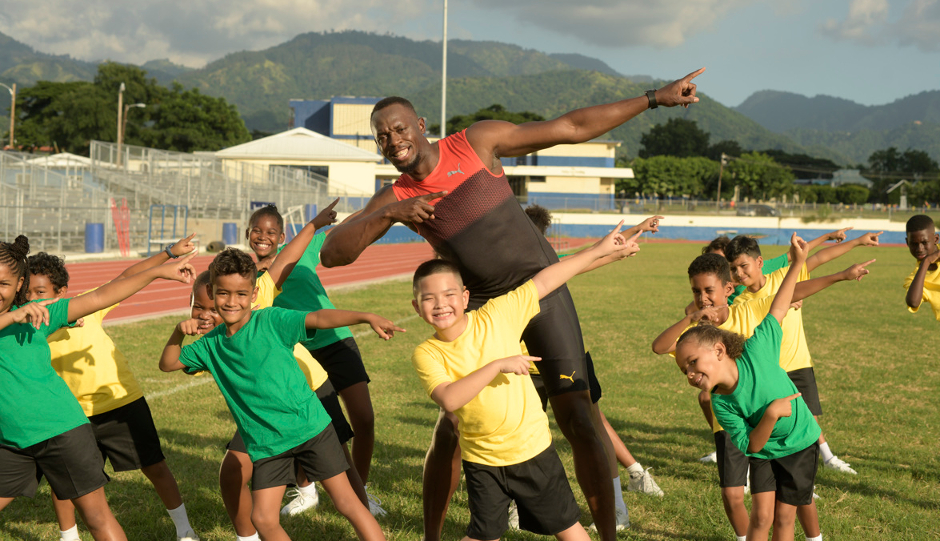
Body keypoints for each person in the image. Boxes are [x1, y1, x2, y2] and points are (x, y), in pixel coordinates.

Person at [321, 68, 704, 540]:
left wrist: (653, 98)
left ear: (421, 124)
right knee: (451, 429)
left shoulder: (476, 142)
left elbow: (571, 128)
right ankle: (432, 537)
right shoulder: (396, 195)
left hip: (539, 292)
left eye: (399, 128)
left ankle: (605, 533)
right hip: (481, 310)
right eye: (382, 136)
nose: (393, 140)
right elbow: (332, 254)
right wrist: (389, 213)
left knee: (579, 418)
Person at [410, 223, 638, 541]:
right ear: (416, 307)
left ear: (465, 297)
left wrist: (598, 250)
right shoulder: (427, 353)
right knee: (484, 534)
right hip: (482, 462)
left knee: (567, 529)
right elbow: (449, 399)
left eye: (449, 294)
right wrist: (497, 365)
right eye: (429, 298)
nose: (440, 304)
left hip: (531, 453)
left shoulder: (497, 315)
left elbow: (545, 280)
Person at [160, 248, 403, 541]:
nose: (232, 302)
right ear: (211, 292)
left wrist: (366, 316)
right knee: (263, 519)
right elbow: (168, 363)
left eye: (241, 294)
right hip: (266, 444)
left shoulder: (271, 320)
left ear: (252, 295)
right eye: (223, 294)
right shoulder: (209, 345)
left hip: (310, 428)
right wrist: (177, 332)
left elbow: (319, 318)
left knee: (346, 502)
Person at [652, 250, 871, 541]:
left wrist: (826, 271)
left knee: (788, 513)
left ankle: (815, 538)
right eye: (696, 291)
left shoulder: (752, 333)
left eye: (708, 290)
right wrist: (691, 318)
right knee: (756, 511)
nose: (702, 298)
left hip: (795, 439)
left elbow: (781, 300)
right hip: (754, 437)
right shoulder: (702, 358)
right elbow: (659, 346)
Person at [0, 235, 196, 541]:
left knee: (96, 518)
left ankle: (184, 529)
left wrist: (157, 270)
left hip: (60, 432)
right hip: (12, 440)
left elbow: (101, 296)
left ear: (19, 284)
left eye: (3, 284)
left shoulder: (36, 315)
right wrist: (11, 316)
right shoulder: (18, 316)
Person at [674, 233, 823, 541]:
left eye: (692, 363)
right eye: (684, 369)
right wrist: (771, 413)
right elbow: (753, 446)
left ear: (718, 350)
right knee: (761, 518)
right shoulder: (720, 403)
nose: (689, 374)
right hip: (765, 448)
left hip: (798, 442)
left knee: (783, 519)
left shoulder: (758, 347)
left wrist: (797, 264)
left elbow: (779, 307)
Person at [244, 203, 384, 515]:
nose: (263, 237)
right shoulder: (249, 277)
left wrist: (387, 206)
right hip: (297, 352)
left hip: (334, 339)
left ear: (282, 236)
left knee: (364, 418)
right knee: (311, 426)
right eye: (257, 230)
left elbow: (349, 230)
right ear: (247, 233)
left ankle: (360, 488)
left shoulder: (301, 250)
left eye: (271, 232)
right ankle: (307, 491)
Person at [523, 205, 664, 505]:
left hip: (565, 359)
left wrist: (627, 240)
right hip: (523, 369)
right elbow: (596, 254)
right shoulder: (505, 273)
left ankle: (620, 497)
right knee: (521, 439)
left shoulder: (550, 268)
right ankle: (517, 506)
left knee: (591, 429)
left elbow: (593, 254)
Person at [725, 231, 881, 476]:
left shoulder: (783, 278)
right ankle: (768, 475)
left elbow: (819, 258)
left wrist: (857, 244)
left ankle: (815, 471)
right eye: (733, 270)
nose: (739, 274)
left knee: (809, 420)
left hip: (798, 362)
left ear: (759, 262)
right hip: (771, 373)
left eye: (743, 266)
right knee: (776, 428)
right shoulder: (740, 302)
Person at [692, 228, 853, 464]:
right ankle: (736, 453)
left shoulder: (771, 279)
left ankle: (823, 459)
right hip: (765, 369)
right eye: (727, 268)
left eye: (730, 266)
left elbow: (799, 259)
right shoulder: (737, 300)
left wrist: (849, 246)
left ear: (757, 262)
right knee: (754, 419)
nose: (733, 273)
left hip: (793, 361)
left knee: (803, 414)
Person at [903, 214, 940, 487]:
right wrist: (925, 263)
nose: (920, 249)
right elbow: (913, 301)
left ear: (936, 238)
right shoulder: (917, 275)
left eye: (925, 243)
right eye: (914, 245)